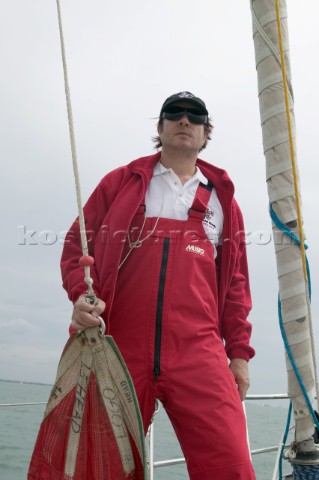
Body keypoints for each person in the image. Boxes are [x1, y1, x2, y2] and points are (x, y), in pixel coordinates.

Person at [61, 91, 256, 480]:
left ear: (205, 133)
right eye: (174, 114)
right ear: (160, 127)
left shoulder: (224, 203)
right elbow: (74, 246)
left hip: (199, 351)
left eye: (195, 116)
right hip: (118, 345)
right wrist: (81, 296)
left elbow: (235, 284)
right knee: (101, 468)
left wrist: (239, 354)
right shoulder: (121, 183)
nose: (185, 121)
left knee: (231, 467)